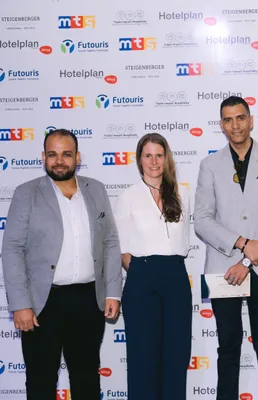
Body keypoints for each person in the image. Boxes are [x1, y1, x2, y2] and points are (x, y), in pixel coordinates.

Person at [1, 129, 122, 400]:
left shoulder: (96, 190)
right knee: (41, 380)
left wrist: (113, 292)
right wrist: (20, 304)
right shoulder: (26, 193)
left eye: (66, 154)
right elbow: (12, 249)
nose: (59, 161)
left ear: (77, 158)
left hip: (89, 300)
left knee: (86, 379)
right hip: (43, 303)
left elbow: (111, 242)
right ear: (43, 157)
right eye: (52, 154)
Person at [194, 96, 258, 400]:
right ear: (221, 125)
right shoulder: (209, 165)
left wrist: (247, 259)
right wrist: (243, 244)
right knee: (228, 347)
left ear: (251, 120)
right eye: (228, 119)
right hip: (222, 267)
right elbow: (202, 220)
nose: (235, 125)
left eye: (240, 118)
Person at [114, 133, 192, 400]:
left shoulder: (182, 193)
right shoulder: (128, 196)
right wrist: (140, 271)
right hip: (142, 279)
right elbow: (121, 247)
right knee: (142, 358)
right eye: (148, 155)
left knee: (176, 356)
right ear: (139, 159)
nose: (154, 161)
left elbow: (185, 240)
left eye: (159, 155)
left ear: (166, 158)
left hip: (175, 277)